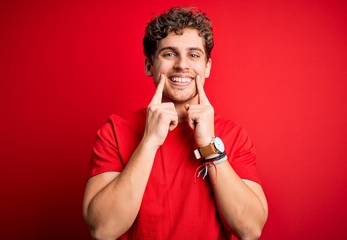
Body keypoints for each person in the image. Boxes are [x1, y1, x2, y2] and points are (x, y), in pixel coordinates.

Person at [83, 7, 268, 240]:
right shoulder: (114, 132)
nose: (182, 65)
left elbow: (250, 230)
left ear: (207, 67)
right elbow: (103, 230)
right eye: (169, 54)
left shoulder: (234, 135)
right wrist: (149, 141)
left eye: (193, 55)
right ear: (149, 65)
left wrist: (209, 145)